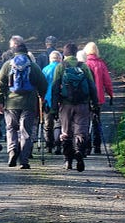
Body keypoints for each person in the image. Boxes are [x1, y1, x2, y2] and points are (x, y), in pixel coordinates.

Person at [0, 42, 47, 169]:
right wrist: (41, 95)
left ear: (14, 52)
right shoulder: (33, 66)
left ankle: (12, 152)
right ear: (26, 52)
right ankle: (24, 160)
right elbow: (43, 83)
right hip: (29, 104)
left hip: (11, 104)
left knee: (11, 129)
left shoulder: (8, 65)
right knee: (25, 132)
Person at [50, 43, 98, 172]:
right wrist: (95, 105)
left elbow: (55, 88)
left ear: (64, 54)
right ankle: (79, 152)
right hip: (83, 104)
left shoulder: (60, 67)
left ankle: (67, 160)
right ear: (76, 53)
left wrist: (54, 108)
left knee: (66, 132)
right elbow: (92, 87)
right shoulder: (84, 67)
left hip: (66, 105)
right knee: (81, 131)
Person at [84, 41, 114, 155]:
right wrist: (110, 94)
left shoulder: (84, 63)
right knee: (96, 121)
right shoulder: (101, 64)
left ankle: (86, 145)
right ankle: (97, 145)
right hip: (98, 97)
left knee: (85, 121)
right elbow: (107, 81)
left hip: (86, 97)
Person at [42, 50, 63, 154]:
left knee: (48, 123)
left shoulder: (45, 69)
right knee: (58, 123)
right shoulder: (63, 69)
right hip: (60, 99)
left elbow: (41, 85)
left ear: (50, 59)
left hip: (47, 100)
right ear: (60, 59)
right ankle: (58, 145)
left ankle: (48, 145)